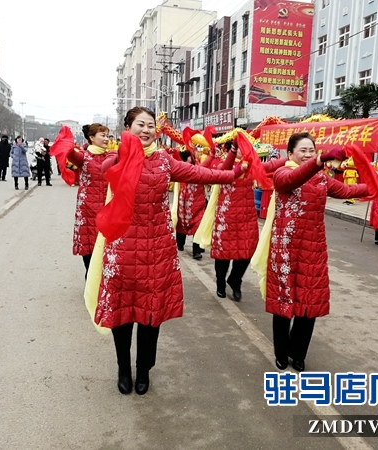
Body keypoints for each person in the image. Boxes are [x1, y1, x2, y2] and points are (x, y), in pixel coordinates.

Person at [85, 106, 246, 396]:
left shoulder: (164, 161)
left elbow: (201, 173)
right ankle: (124, 366)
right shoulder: (115, 156)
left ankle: (144, 368)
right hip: (122, 246)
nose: (146, 130)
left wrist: (233, 172)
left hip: (158, 247)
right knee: (121, 313)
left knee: (150, 314)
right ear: (128, 128)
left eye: (150, 126)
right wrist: (127, 153)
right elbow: (106, 171)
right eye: (139, 125)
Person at [257, 132, 373, 372]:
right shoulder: (282, 174)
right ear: (289, 154)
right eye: (303, 150)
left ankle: (298, 353)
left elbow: (346, 191)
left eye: (312, 150)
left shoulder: (321, 178)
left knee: (309, 304)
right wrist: (318, 161)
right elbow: (293, 180)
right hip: (286, 249)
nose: (308, 154)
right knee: (283, 303)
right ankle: (281, 351)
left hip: (313, 248)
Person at [201, 139, 284, 301]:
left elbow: (271, 167)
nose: (243, 151)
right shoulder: (223, 167)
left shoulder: (251, 166)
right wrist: (233, 152)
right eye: (239, 149)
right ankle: (220, 283)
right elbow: (224, 170)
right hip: (226, 218)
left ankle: (235, 279)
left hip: (247, 218)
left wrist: (289, 157)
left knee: (247, 252)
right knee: (223, 254)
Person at [66, 124, 113, 278]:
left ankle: (102, 280)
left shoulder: (112, 156)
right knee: (89, 245)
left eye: (107, 135)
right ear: (92, 138)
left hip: (108, 209)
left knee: (107, 245)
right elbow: (70, 154)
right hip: (87, 209)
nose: (106, 139)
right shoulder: (83, 157)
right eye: (102, 135)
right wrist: (68, 144)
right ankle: (90, 277)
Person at [174, 148, 209, 260]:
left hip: (196, 202)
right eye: (192, 155)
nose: (195, 155)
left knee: (198, 225)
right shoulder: (183, 167)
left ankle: (196, 250)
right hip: (185, 203)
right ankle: (180, 244)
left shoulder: (195, 165)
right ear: (188, 157)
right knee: (182, 225)